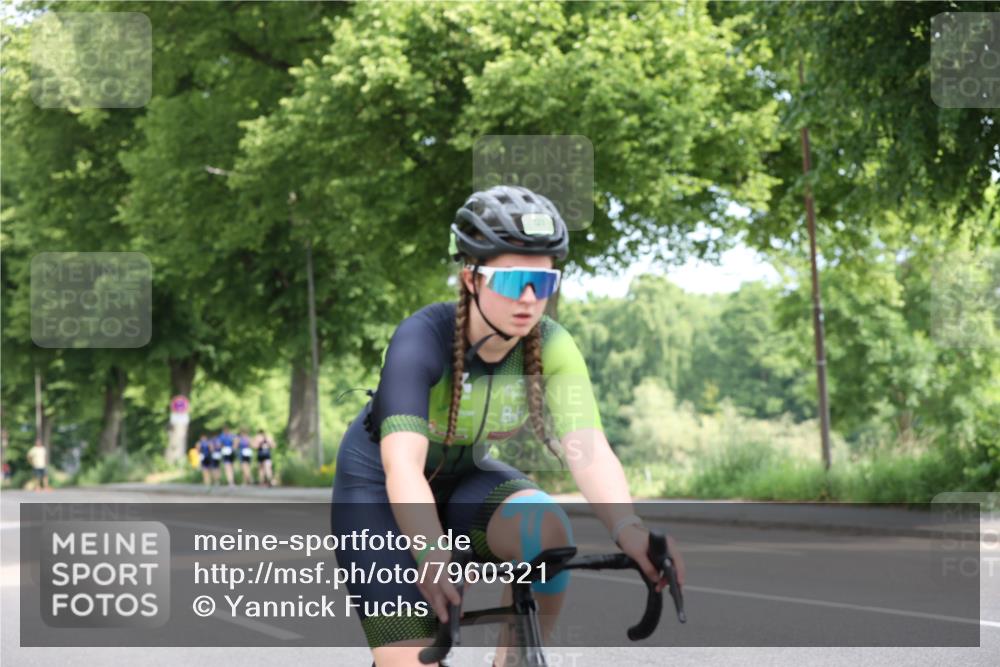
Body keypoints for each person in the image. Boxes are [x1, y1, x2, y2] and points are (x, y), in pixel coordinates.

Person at [330, 185, 685, 667]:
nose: (529, 298)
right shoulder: (422, 338)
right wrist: (431, 551)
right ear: (471, 279)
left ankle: (514, 662)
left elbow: (589, 450)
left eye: (543, 281)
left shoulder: (553, 345)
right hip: (377, 488)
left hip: (465, 479)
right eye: (513, 280)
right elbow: (403, 466)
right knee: (411, 662)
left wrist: (630, 530)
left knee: (548, 527)